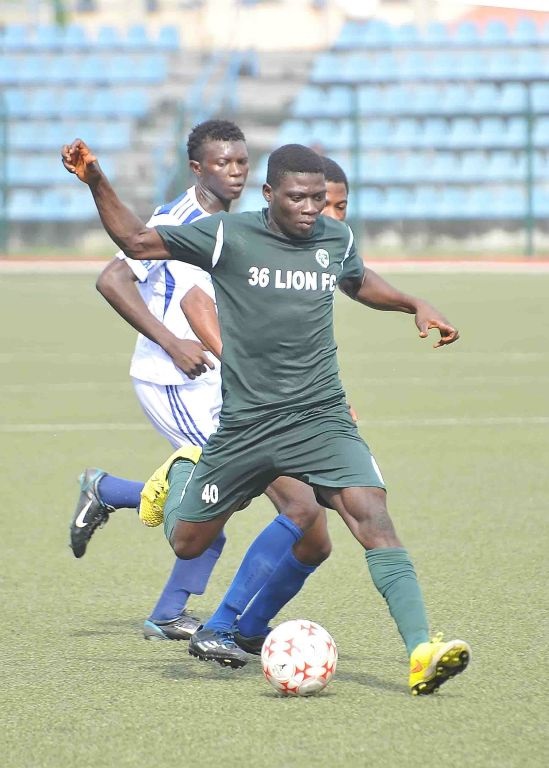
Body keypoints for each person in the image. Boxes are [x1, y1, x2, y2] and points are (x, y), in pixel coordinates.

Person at [61, 138, 471, 696]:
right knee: (187, 541)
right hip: (247, 425)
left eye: (319, 198)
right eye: (298, 198)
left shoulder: (335, 237)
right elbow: (136, 241)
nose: (311, 209)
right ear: (270, 193)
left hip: (319, 417)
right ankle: (180, 472)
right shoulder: (227, 235)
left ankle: (421, 650)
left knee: (372, 517)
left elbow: (356, 280)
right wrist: (96, 181)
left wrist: (412, 304)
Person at [69, 120, 332, 643]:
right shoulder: (178, 218)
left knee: (236, 493)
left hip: (216, 380)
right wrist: (172, 342)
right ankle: (190, 615)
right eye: (222, 163)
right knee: (237, 495)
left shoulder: (231, 220)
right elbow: (113, 278)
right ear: (196, 168)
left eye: (241, 162)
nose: (234, 171)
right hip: (176, 381)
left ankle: (111, 495)